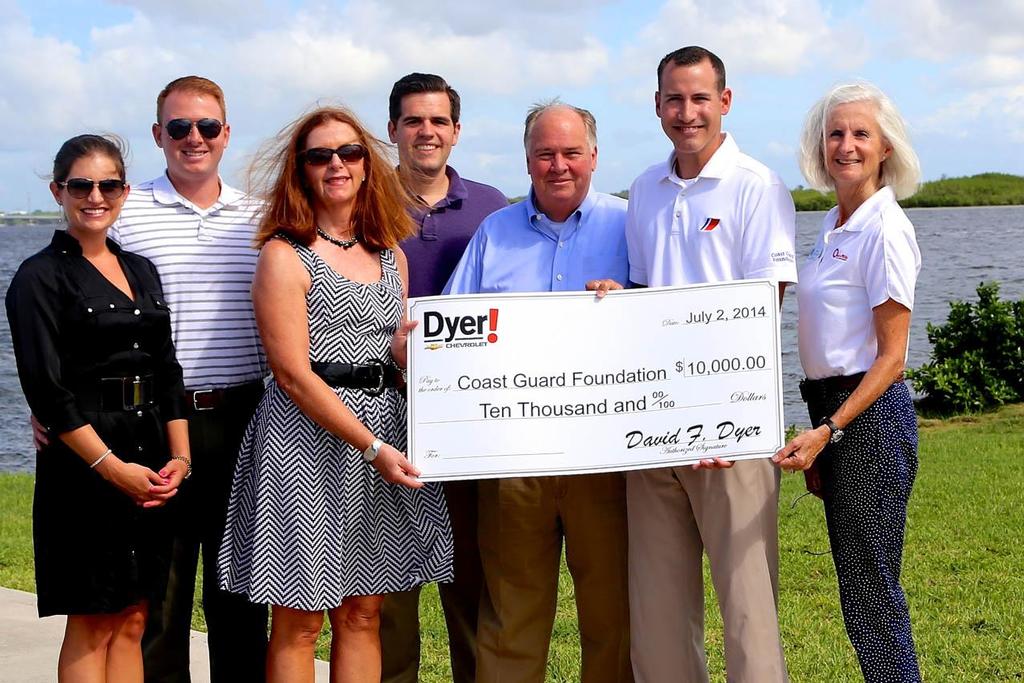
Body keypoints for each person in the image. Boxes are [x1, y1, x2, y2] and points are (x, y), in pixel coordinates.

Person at [217, 106, 454, 682]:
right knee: (299, 622)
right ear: (301, 170)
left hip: (382, 446)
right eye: (320, 156)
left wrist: (405, 357)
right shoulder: (282, 254)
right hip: (303, 449)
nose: (337, 165)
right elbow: (294, 376)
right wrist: (371, 445)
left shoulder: (389, 253)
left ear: (369, 165)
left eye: (349, 153)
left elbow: (388, 351)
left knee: (364, 613)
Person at [619, 46, 797, 682]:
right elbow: (644, 301)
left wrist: (720, 417)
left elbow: (762, 306)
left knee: (749, 614)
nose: (686, 111)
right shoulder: (642, 189)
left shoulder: (757, 186)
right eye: (674, 98)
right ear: (657, 105)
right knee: (659, 616)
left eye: (699, 98)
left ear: (725, 101)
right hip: (653, 433)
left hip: (732, 434)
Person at [444, 101, 633, 683]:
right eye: (545, 153)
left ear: (594, 157)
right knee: (509, 619)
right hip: (515, 460)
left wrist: (628, 303)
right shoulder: (493, 232)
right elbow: (448, 333)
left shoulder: (630, 225)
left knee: (614, 618)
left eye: (571, 153)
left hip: (606, 457)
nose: (558, 165)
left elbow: (670, 327)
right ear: (527, 160)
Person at [6, 134, 190, 681]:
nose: (95, 196)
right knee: (93, 620)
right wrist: (113, 471)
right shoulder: (38, 278)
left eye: (108, 184)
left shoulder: (141, 269)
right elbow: (48, 393)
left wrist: (180, 459)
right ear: (57, 191)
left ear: (124, 190)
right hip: (85, 466)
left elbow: (168, 369)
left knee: (135, 617)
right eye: (81, 185)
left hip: (153, 456)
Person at [110, 75, 270, 682]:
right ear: (159, 135)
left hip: (246, 419)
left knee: (240, 591)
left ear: (226, 134)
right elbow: (83, 316)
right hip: (154, 420)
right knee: (161, 594)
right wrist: (50, 407)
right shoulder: (127, 213)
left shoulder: (259, 219)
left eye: (207, 126)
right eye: (179, 127)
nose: (193, 138)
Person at [772, 82, 923, 682]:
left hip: (868, 421)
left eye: (861, 133)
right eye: (836, 133)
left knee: (871, 591)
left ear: (886, 147)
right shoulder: (834, 225)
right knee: (859, 586)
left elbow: (893, 359)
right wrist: (819, 428)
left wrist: (827, 432)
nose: (846, 145)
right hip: (833, 415)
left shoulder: (885, 228)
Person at [380, 72, 507, 683]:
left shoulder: (493, 207)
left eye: (437, 121)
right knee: (385, 582)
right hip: (381, 408)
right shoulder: (362, 199)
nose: (425, 132)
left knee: (470, 575)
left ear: (456, 131)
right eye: (412, 120)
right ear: (392, 130)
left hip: (466, 417)